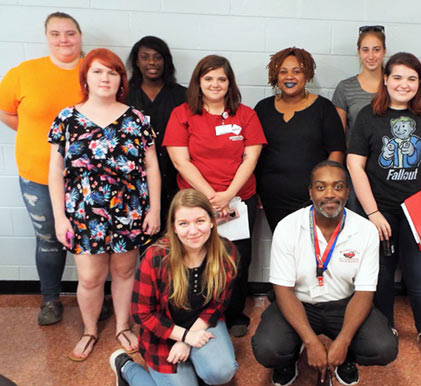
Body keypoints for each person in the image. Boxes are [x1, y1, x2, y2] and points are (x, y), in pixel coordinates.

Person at [48, 48, 161, 361]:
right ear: (85, 76)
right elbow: (55, 172)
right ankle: (89, 330)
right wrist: (60, 218)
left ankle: (123, 326)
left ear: (120, 80)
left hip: (129, 210)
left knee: (125, 272)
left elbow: (151, 166)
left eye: (112, 72)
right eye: (98, 71)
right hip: (83, 215)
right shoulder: (67, 118)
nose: (105, 78)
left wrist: (154, 210)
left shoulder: (136, 118)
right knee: (89, 278)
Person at [252, 161, 398, 386]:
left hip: (344, 305)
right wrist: (311, 342)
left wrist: (344, 341)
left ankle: (346, 357)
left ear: (348, 192)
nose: (330, 194)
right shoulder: (288, 227)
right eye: (321, 187)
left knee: (384, 347)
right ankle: (289, 357)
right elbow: (283, 290)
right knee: (268, 348)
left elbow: (364, 293)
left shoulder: (366, 230)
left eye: (338, 187)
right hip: (299, 302)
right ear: (310, 192)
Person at [109, 189, 239, 386]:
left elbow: (218, 304)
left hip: (200, 325)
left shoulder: (226, 252)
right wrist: (181, 336)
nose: (193, 230)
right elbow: (141, 314)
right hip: (162, 334)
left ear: (212, 221)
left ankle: (195, 365)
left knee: (220, 371)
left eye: (200, 221)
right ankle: (126, 368)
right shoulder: (157, 256)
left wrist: (189, 340)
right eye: (184, 223)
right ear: (174, 227)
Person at [347, 52, 421, 358]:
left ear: (419, 83)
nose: (404, 84)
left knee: (420, 275)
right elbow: (355, 166)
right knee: (380, 274)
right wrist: (373, 213)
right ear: (385, 79)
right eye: (397, 77)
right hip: (380, 210)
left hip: (419, 210)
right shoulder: (368, 116)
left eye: (412, 78)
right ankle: (385, 326)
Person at [164, 55, 266, 337]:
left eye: (221, 78)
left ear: (229, 82)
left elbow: (250, 158)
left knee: (237, 259)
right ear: (198, 82)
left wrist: (229, 195)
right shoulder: (182, 114)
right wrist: (211, 197)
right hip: (195, 202)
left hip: (239, 200)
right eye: (208, 78)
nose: (215, 84)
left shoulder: (245, 115)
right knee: (195, 254)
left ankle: (234, 313)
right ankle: (196, 312)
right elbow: (180, 161)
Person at [0, 11, 83, 326]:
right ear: (46, 37)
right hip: (38, 176)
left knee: (91, 238)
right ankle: (51, 299)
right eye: (56, 33)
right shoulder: (24, 72)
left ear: (80, 36)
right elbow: (7, 113)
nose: (63, 39)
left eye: (70, 33)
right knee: (49, 239)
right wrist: (41, 138)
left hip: (87, 179)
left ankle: (92, 294)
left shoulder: (95, 71)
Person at [254, 47, 346, 232]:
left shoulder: (323, 108)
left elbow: (336, 150)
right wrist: (255, 189)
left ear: (307, 75)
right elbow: (253, 155)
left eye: (297, 71)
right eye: (283, 71)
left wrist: (324, 188)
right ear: (275, 76)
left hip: (312, 198)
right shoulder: (262, 109)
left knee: (312, 251)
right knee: (284, 250)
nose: (290, 77)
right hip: (273, 198)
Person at [126, 36, 186, 231]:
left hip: (175, 179)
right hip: (135, 183)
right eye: (145, 57)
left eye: (157, 57)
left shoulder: (182, 96)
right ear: (136, 61)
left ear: (165, 61)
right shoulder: (124, 95)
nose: (152, 62)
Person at [333, 25, 387, 214]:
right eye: (365, 50)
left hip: (388, 170)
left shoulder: (395, 85)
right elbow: (338, 138)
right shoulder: (345, 88)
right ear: (358, 52)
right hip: (356, 171)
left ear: (384, 51)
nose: (371, 56)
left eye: (376, 49)